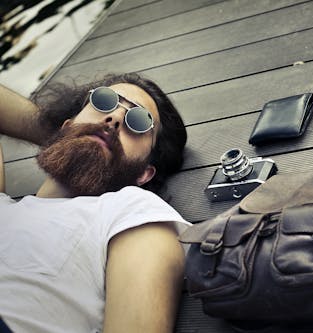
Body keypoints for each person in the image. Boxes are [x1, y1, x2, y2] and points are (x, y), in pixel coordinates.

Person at [0, 73, 191, 333]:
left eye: (138, 121)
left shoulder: (132, 210)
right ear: (66, 125)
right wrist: (66, 138)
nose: (114, 118)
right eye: (104, 101)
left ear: (143, 173)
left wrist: (85, 136)